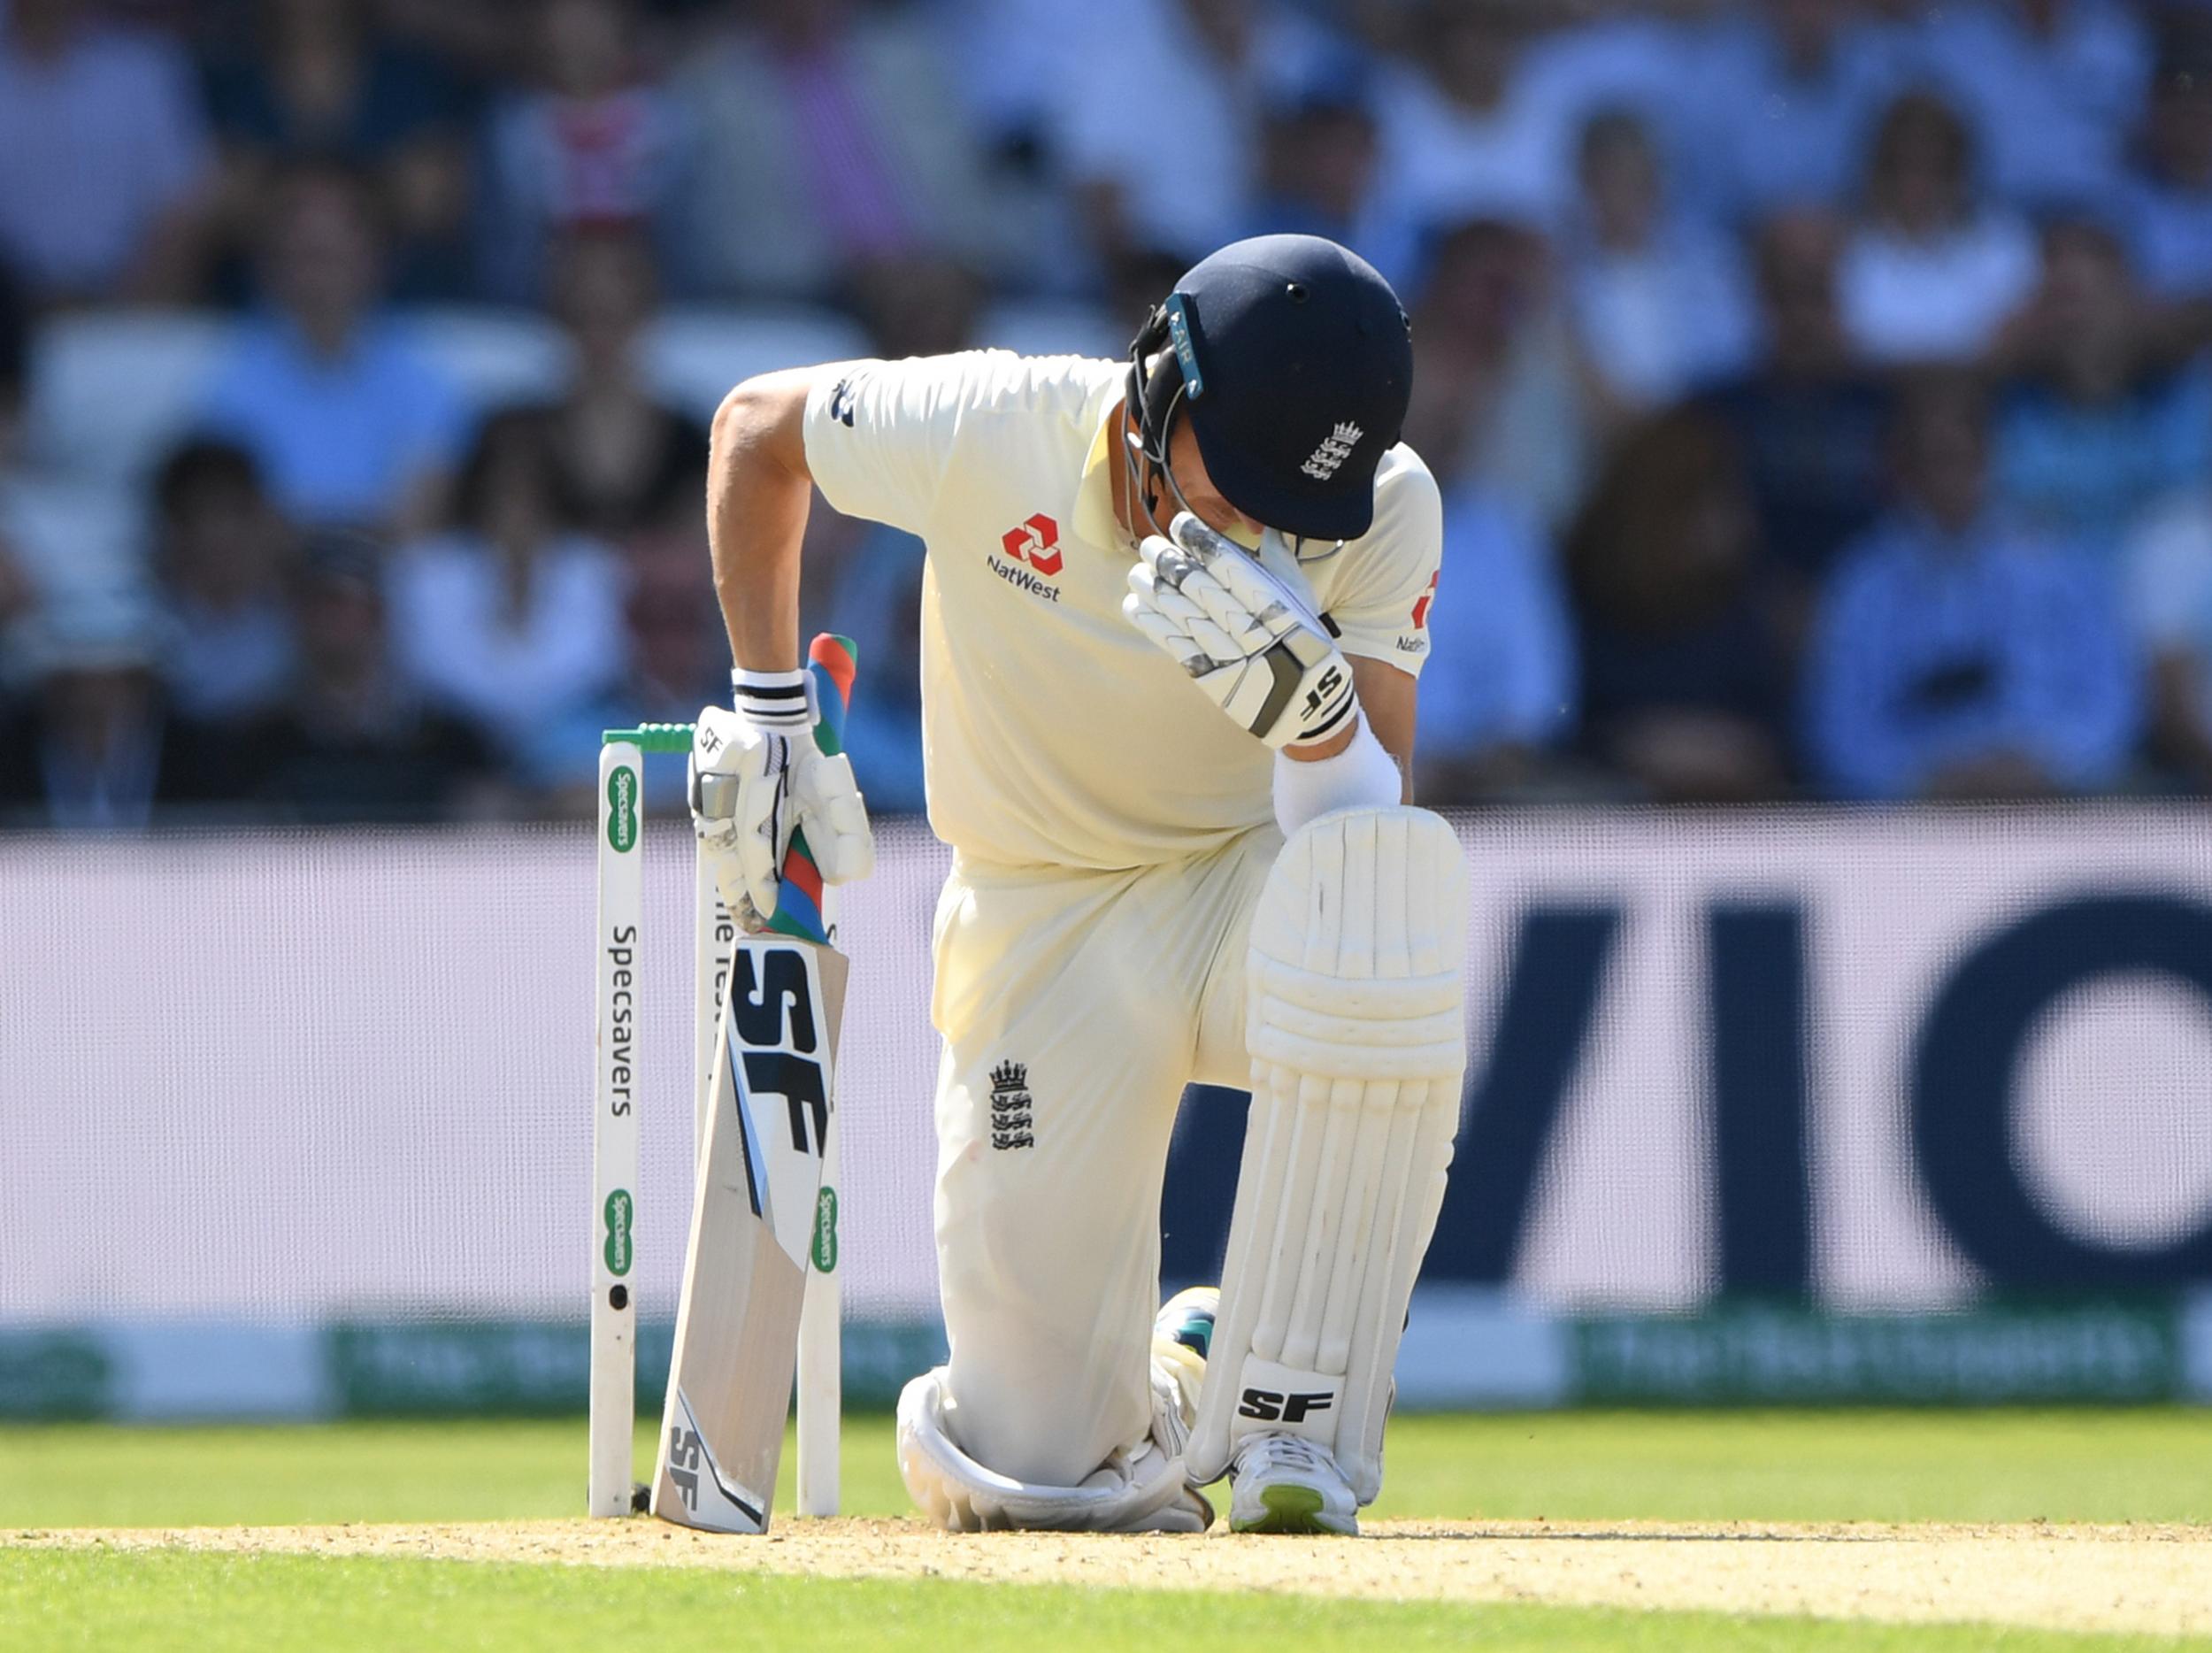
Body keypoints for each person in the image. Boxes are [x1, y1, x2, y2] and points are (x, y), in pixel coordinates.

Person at [687, 234, 1464, 1535]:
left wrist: (1320, 735)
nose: (1262, 528)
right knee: (1036, 1470)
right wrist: (771, 712)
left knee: (1386, 914)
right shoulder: (996, 425)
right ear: (1162, 387)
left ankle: (1299, 1426)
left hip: (1243, 888)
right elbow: (755, 430)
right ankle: (1181, 1377)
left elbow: (1367, 832)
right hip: (1039, 916)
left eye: (1294, 502)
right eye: (1244, 481)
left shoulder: (1385, 504)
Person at [1805, 373, 2141, 799]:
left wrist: (2048, 765)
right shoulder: (1861, 582)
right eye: (1934, 460)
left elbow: (2112, 706)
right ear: (1900, 469)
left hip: (2050, 798)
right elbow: (1839, 732)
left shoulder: (2062, 563)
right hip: (1916, 815)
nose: (1951, 478)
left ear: (1990, 457)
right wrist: (1928, 780)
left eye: (1964, 458)